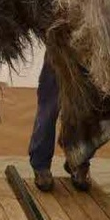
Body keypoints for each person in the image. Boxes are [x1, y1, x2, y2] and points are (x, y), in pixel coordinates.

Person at [29, 50, 91, 192]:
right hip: (58, 49)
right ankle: (41, 165)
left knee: (84, 109)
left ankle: (78, 161)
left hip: (88, 52)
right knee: (49, 109)